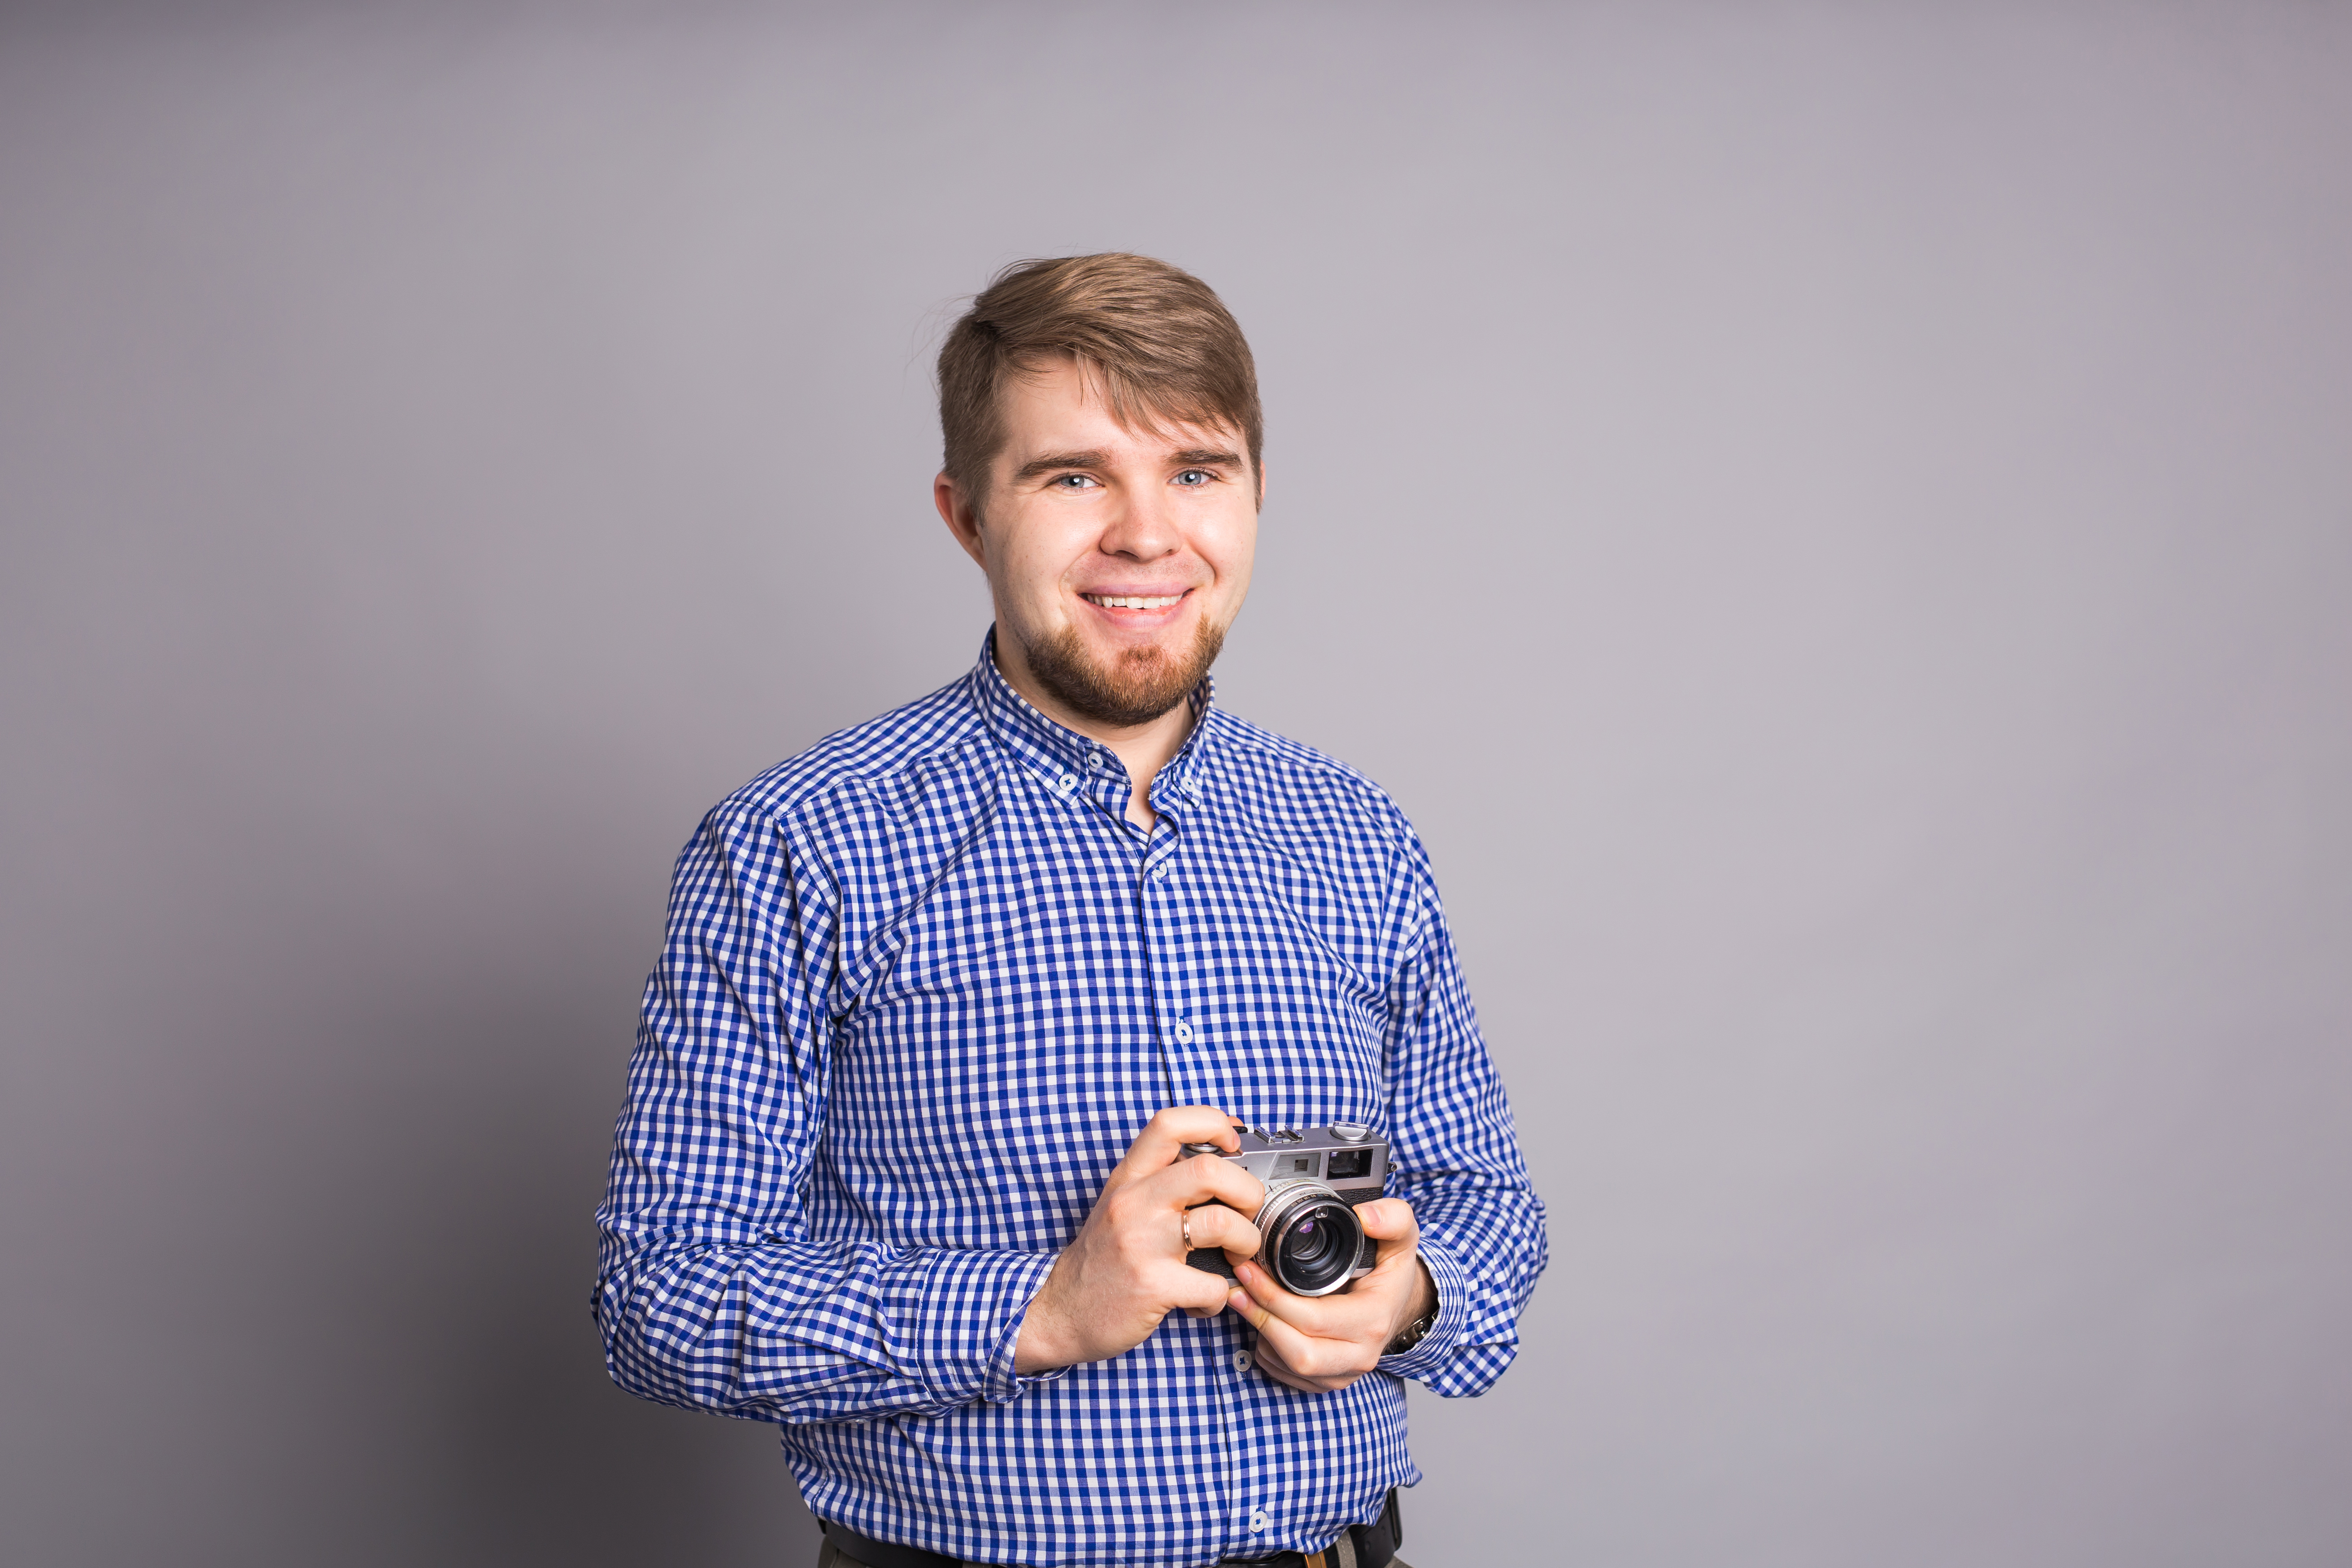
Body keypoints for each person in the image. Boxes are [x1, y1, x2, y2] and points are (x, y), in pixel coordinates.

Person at [592, 253, 1546, 1568]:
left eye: (1196, 470)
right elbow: (662, 1298)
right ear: (967, 514)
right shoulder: (795, 845)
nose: (1146, 534)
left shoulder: (1354, 833)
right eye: (1072, 476)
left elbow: (1482, 1196)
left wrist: (1410, 1295)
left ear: (1256, 496)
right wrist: (1039, 1308)